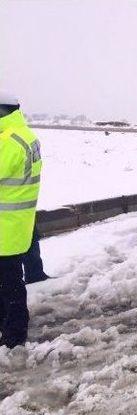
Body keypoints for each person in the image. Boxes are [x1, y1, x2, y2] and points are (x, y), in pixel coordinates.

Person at [0, 91, 42, 348]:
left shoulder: (9, 141)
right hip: (17, 223)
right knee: (10, 279)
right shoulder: (25, 135)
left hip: (6, 225)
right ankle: (10, 326)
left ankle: (14, 335)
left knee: (9, 282)